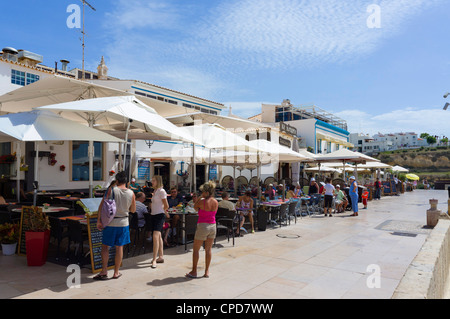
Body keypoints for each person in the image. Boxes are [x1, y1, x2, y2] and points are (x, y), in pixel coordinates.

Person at [95, 171, 136, 280]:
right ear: (126, 181)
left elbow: (102, 205)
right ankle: (116, 272)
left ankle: (104, 271)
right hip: (124, 223)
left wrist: (99, 220)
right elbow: (133, 210)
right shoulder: (131, 193)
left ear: (117, 181)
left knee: (105, 247)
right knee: (119, 247)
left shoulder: (112, 190)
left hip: (110, 223)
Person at [186, 181, 218, 279]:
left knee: (196, 249)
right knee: (208, 249)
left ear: (206, 192)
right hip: (213, 225)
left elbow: (195, 207)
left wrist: (200, 197)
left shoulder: (202, 202)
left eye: (203, 191)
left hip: (203, 225)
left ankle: (194, 271)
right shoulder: (216, 202)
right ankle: (207, 271)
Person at [149, 175, 170, 269]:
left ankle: (154, 259)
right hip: (153, 215)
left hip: (159, 216)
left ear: (158, 181)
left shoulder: (161, 191)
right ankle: (160, 256)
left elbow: (166, 205)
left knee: (155, 236)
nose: (152, 182)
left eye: (153, 180)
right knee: (159, 236)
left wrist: (163, 212)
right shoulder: (155, 191)